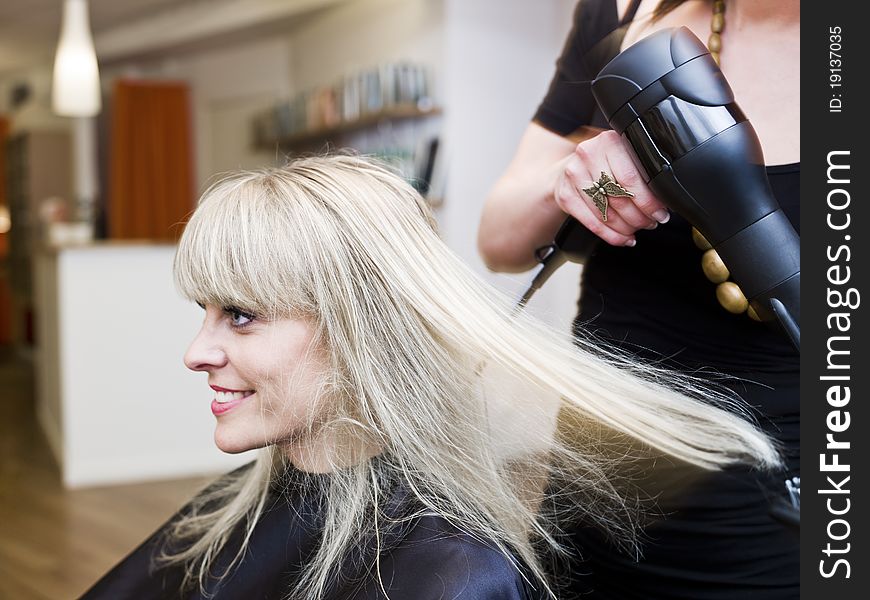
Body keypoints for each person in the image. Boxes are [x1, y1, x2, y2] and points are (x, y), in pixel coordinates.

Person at [81, 154, 779, 600]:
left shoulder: (451, 574)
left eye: (239, 315)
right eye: (204, 312)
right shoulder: (242, 509)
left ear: (360, 330)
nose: (194, 353)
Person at [478, 0, 799, 598]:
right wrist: (573, 181)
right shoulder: (625, 13)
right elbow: (500, 241)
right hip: (594, 487)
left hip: (787, 506)